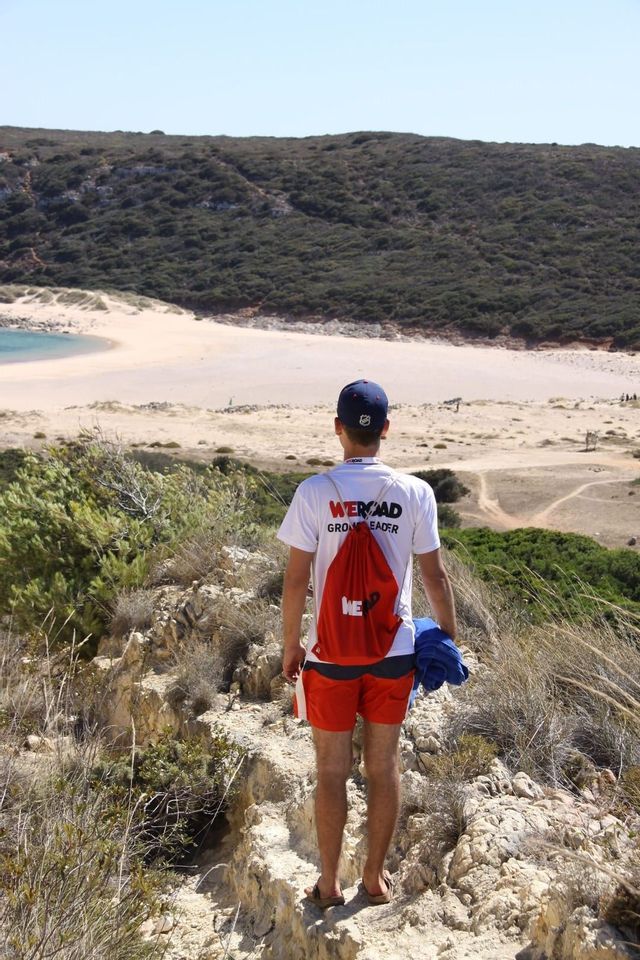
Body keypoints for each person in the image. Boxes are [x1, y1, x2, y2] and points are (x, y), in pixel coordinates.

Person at [277, 379, 457, 908]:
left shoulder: (314, 492)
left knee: (331, 771)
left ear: (338, 429)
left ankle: (329, 883)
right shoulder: (415, 492)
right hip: (393, 654)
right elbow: (435, 577)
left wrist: (292, 645)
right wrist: (446, 637)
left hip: (329, 656)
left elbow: (294, 581)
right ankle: (375, 879)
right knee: (384, 767)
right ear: (385, 430)